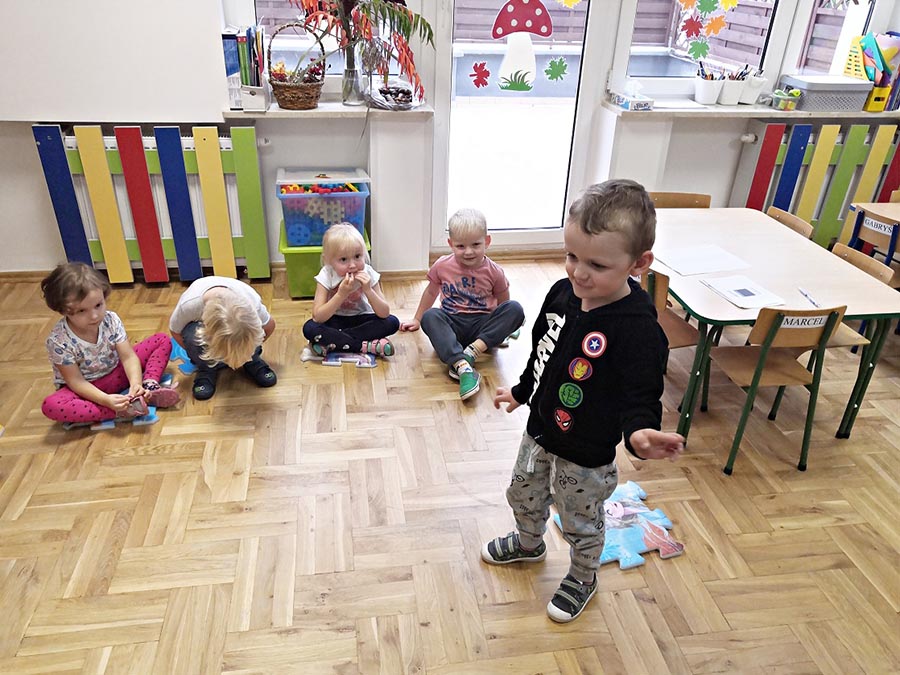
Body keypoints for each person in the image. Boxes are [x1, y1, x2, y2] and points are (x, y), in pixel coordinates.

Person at [482, 180, 684, 623]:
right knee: (523, 492)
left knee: (580, 519)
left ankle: (583, 575)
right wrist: (522, 391)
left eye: (597, 264)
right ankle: (529, 543)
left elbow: (641, 393)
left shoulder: (638, 330)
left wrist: (640, 432)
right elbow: (543, 350)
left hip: (587, 453)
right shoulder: (562, 293)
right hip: (539, 431)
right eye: (572, 256)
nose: (579, 273)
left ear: (639, 263)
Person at [400, 208, 524, 400]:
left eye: (476, 244)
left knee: (515, 309)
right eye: (460, 246)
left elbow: (503, 300)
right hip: (452, 324)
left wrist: (502, 328)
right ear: (450, 244)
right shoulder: (442, 265)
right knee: (430, 317)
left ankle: (471, 352)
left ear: (487, 241)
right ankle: (463, 366)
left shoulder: (494, 271)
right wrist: (417, 319)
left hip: (482, 326)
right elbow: (431, 291)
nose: (468, 252)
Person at [40, 262, 179, 425]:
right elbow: (76, 382)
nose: (94, 316)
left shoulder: (111, 320)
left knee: (161, 340)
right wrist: (106, 400)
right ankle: (119, 411)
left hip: (117, 373)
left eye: (98, 305)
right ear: (63, 310)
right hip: (88, 389)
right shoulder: (59, 341)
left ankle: (149, 387)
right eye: (82, 311)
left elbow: (128, 357)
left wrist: (136, 383)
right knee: (51, 405)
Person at [169, 276, 276, 400]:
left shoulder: (252, 302)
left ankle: (252, 360)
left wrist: (248, 349)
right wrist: (197, 355)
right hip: (199, 320)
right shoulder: (189, 306)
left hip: (243, 313)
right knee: (190, 334)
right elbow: (175, 331)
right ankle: (206, 369)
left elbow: (269, 326)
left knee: (247, 334)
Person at [302, 223, 400, 356]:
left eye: (357, 256)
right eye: (343, 259)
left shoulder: (368, 273)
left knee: (392, 322)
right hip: (334, 320)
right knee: (309, 328)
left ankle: (335, 342)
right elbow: (318, 317)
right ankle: (365, 346)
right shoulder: (327, 274)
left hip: (362, 319)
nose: (352, 265)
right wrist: (341, 294)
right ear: (329, 261)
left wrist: (368, 290)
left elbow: (384, 313)